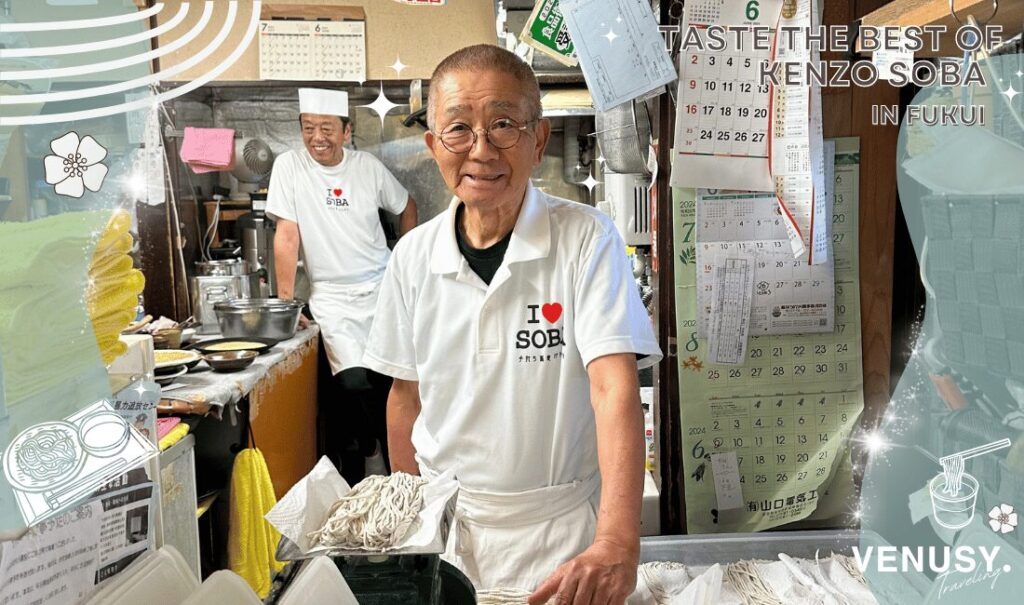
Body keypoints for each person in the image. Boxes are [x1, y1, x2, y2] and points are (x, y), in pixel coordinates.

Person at [363, 46, 661, 604]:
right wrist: (410, 527)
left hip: (561, 541)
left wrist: (618, 541)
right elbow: (405, 397)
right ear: (433, 144)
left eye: (503, 124)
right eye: (458, 129)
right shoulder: (411, 257)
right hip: (449, 537)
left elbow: (613, 387)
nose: (481, 150)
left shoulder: (586, 239)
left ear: (538, 140)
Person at [267, 88, 417, 480]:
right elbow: (287, 235)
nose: (318, 137)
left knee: (391, 383)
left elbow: (406, 205)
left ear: (347, 131)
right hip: (332, 298)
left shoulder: (366, 167)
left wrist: (404, 261)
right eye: (309, 128)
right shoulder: (289, 167)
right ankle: (371, 452)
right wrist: (287, 304)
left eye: (327, 128)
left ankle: (399, 474)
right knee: (353, 384)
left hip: (382, 290)